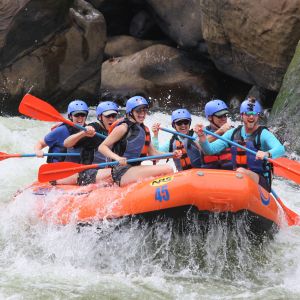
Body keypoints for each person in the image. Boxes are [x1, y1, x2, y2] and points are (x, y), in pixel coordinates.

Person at [195, 97, 285, 191]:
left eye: (255, 114)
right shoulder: (233, 133)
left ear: (258, 116)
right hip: (238, 181)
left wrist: (267, 154)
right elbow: (210, 150)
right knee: (237, 173)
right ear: (242, 115)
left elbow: (280, 149)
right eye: (248, 114)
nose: (251, 117)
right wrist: (202, 137)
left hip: (259, 181)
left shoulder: (263, 134)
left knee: (240, 172)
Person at [98, 96, 182, 186]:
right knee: (168, 169)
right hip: (121, 172)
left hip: (135, 168)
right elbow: (102, 147)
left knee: (164, 170)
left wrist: (172, 155)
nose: (142, 114)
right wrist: (117, 158)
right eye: (138, 111)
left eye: (144, 110)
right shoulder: (123, 127)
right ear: (130, 112)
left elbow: (153, 153)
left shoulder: (145, 129)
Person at [64, 101, 119, 185]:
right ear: (100, 117)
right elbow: (66, 143)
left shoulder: (117, 130)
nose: (111, 119)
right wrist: (83, 133)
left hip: (106, 172)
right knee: (116, 172)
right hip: (88, 173)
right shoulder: (93, 129)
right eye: (108, 116)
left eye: (114, 116)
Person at [34, 99, 89, 164]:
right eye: (76, 115)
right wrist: (37, 151)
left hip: (77, 168)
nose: (80, 118)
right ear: (70, 116)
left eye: (83, 115)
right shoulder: (61, 130)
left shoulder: (89, 129)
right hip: (58, 166)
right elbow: (40, 143)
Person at [202, 99, 233, 169]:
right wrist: (220, 131)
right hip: (210, 173)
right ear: (210, 117)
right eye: (220, 116)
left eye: (225, 115)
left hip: (230, 173)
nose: (224, 118)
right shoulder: (202, 132)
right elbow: (198, 144)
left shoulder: (233, 131)